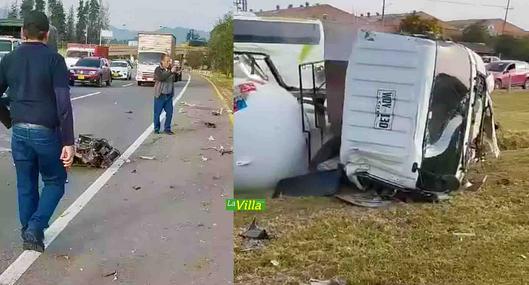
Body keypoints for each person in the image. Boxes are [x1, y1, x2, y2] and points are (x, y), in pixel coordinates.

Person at [0, 11, 74, 252]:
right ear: (47, 34)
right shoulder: (54, 60)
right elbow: (63, 103)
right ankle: (35, 227)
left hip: (19, 131)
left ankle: (28, 232)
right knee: (56, 180)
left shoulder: (9, 60)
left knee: (26, 184)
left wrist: (9, 120)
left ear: (22, 33)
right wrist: (68, 142)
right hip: (45, 132)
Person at [153, 54, 178, 135]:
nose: (168, 63)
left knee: (170, 113)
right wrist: (170, 72)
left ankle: (167, 128)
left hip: (169, 95)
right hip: (160, 95)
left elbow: (175, 80)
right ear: (162, 61)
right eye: (167, 61)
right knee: (157, 113)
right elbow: (161, 78)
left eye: (169, 61)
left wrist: (176, 73)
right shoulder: (158, 70)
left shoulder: (170, 69)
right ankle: (156, 128)